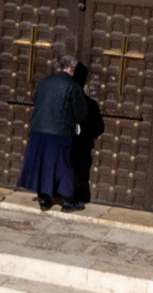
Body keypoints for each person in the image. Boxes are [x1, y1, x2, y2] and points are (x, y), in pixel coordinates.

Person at [20, 57, 97, 211]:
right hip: (59, 133)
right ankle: (67, 202)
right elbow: (81, 112)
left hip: (38, 130)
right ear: (72, 70)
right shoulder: (72, 86)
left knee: (41, 163)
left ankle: (43, 199)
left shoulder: (44, 82)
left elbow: (37, 101)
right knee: (64, 166)